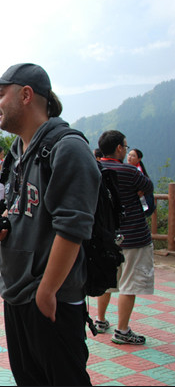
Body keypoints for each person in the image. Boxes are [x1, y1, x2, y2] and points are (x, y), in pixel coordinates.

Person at [0, 63, 100, 385]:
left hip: (50, 298)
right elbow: (26, 212)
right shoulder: (18, 152)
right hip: (17, 290)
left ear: (26, 95)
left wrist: (47, 292)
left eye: (0, 95)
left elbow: (72, 227)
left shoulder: (68, 148)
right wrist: (4, 226)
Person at [95, 131, 154, 345]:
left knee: (108, 279)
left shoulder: (95, 169)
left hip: (106, 236)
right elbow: (148, 187)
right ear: (119, 148)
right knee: (129, 283)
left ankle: (100, 320)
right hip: (133, 236)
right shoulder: (129, 171)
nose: (126, 150)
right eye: (126, 147)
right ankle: (122, 331)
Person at [126, 148, 155, 216]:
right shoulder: (128, 169)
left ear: (139, 159)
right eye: (129, 154)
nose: (129, 157)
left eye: (133, 156)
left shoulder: (139, 173)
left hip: (138, 205)